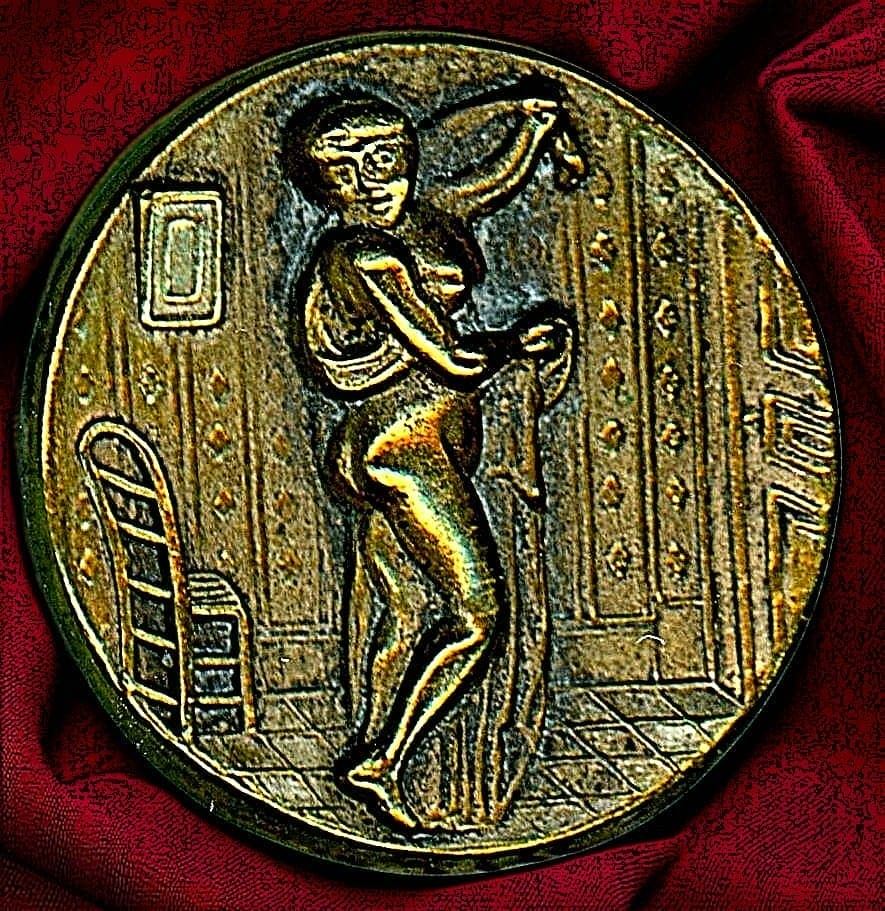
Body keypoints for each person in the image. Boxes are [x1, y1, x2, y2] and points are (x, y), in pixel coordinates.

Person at [285, 86, 584, 829]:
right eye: (345, 171)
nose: (370, 181)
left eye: (384, 159)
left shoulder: (423, 216)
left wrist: (531, 127)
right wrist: (515, 342)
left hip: (419, 440)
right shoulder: (364, 257)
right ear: (323, 186)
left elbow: (489, 185)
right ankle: (380, 762)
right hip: (401, 446)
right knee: (478, 614)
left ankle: (378, 738)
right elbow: (450, 358)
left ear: (407, 157)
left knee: (406, 614)